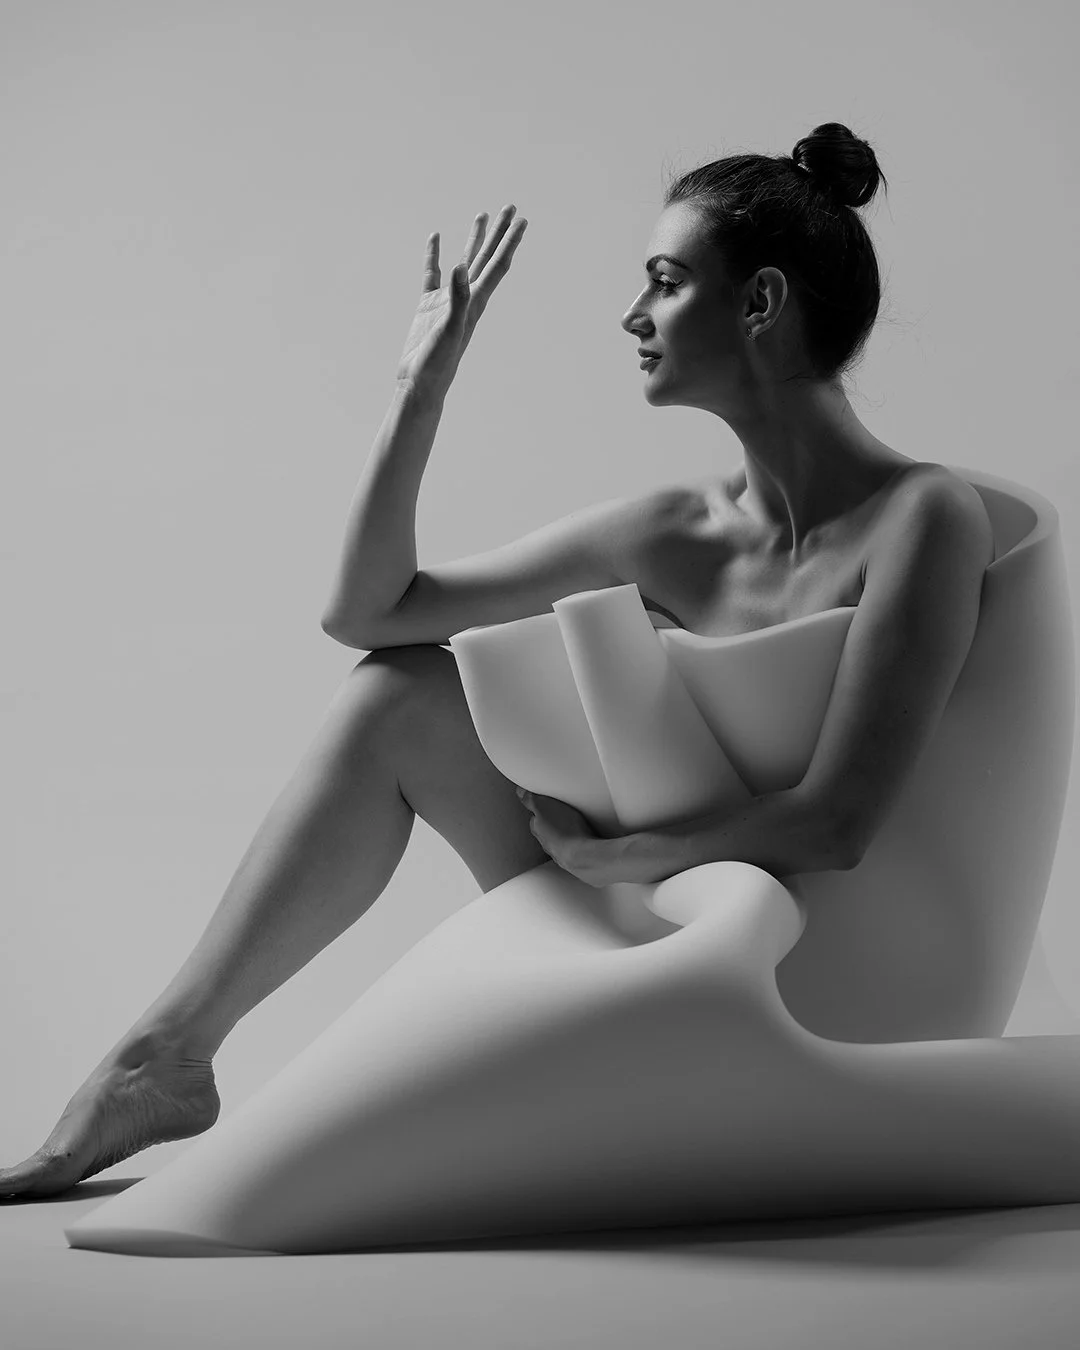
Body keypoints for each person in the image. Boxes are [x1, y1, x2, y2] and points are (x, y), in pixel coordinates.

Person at [0, 121, 994, 1200]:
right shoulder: (670, 530)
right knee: (398, 693)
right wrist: (418, 395)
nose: (633, 316)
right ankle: (165, 1059)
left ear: (759, 305)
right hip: (646, 910)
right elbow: (372, 614)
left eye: (664, 283)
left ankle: (170, 1060)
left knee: (412, 693)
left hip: (793, 966)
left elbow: (838, 822)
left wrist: (623, 858)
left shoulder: (925, 519)